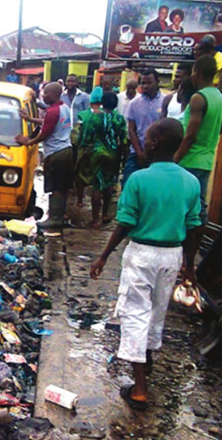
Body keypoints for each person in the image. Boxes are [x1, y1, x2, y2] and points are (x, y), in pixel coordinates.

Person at [90, 118, 201, 411]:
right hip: (172, 256)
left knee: (136, 313)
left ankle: (139, 388)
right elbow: (193, 227)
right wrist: (189, 267)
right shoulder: (190, 182)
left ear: (154, 143)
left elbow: (125, 222)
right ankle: (146, 361)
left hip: (142, 254)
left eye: (148, 137)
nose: (145, 141)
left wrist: (104, 255)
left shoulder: (138, 179)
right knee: (156, 311)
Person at [16, 83, 73, 230]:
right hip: (65, 150)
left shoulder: (53, 111)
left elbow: (45, 133)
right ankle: (58, 216)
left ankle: (54, 219)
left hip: (56, 153)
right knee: (62, 187)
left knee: (56, 188)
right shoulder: (64, 107)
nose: (43, 95)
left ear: (54, 94)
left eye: (46, 93)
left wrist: (28, 141)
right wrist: (29, 119)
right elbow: (47, 123)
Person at [175, 55, 222, 228]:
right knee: (199, 207)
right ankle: (192, 252)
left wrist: (175, 159)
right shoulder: (218, 96)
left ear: (197, 73)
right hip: (207, 160)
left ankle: (184, 249)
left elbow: (190, 136)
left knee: (183, 209)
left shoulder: (198, 98)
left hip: (190, 160)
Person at [83, 92, 128, 227]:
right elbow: (124, 140)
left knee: (97, 185)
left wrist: (85, 149)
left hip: (97, 153)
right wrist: (124, 158)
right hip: (113, 154)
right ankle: (105, 214)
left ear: (102, 103)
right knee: (109, 184)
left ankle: (95, 219)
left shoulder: (94, 117)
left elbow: (87, 136)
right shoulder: (119, 119)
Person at [123, 69, 164, 188]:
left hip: (158, 154)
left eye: (149, 83)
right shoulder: (134, 103)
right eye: (143, 83)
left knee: (154, 188)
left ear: (157, 82)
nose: (145, 86)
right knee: (128, 186)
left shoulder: (165, 102)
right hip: (136, 152)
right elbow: (131, 130)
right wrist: (140, 153)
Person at [72, 87, 103, 207]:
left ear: (90, 102)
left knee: (80, 177)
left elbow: (75, 136)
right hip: (101, 151)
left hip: (84, 151)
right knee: (97, 179)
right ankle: (98, 206)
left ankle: (80, 200)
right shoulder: (108, 115)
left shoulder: (83, 115)